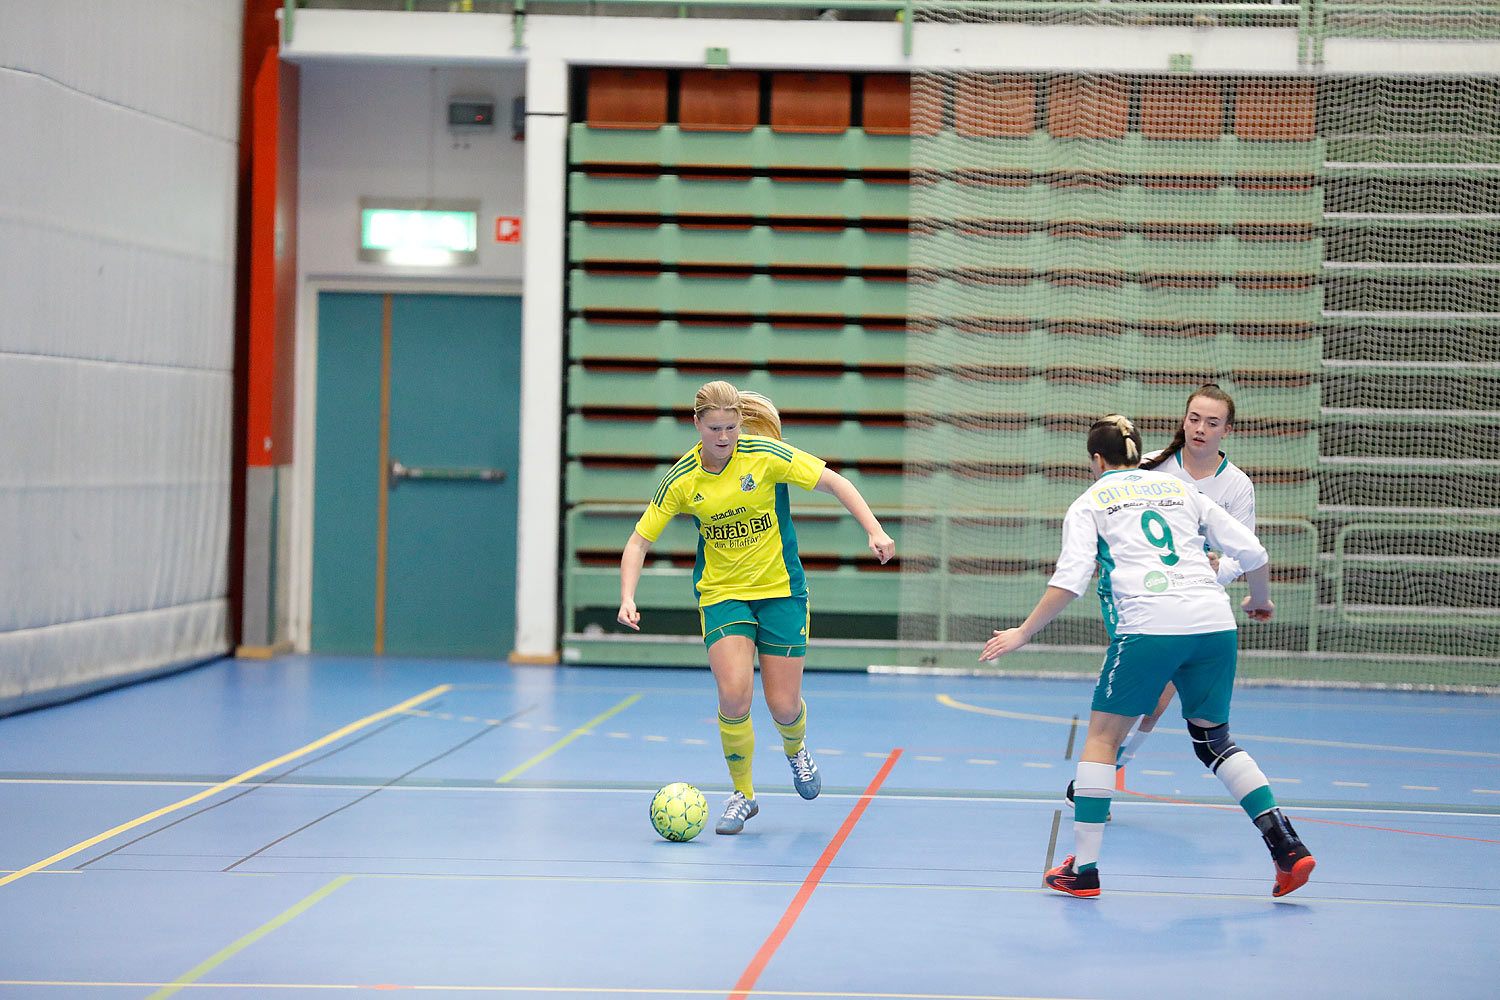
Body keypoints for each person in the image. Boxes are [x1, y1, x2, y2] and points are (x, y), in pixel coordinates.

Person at [982, 415, 1314, 898]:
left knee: (1100, 739)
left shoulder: (1090, 502)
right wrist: (1259, 599)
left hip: (1150, 626)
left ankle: (1085, 870)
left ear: (1096, 460)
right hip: (1214, 624)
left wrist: (1023, 632)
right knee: (1214, 741)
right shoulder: (1181, 491)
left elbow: (1071, 580)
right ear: (1138, 455)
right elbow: (1253, 552)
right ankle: (1287, 846)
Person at [618, 380, 895, 835]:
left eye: (730, 426)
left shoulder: (765, 457)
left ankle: (796, 748)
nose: (723, 437)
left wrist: (874, 531)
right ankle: (742, 795)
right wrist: (628, 596)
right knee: (734, 692)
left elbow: (835, 482)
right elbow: (638, 540)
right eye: (714, 428)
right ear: (697, 425)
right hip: (723, 594)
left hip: (782, 590)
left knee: (783, 704)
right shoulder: (683, 479)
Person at [1065, 383, 1255, 805]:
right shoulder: (1152, 467)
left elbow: (1244, 553)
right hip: (1141, 601)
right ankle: (1099, 781)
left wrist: (1217, 570)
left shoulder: (1237, 486)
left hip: (1195, 604)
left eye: (1212, 423)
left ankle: (1103, 776)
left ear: (1227, 430)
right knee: (1138, 702)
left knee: (1153, 704)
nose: (1200, 429)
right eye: (1193, 419)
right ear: (1183, 421)